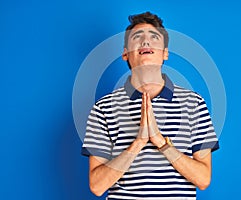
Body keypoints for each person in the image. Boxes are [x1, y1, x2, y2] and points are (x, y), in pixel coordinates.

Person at [81, 11, 219, 199]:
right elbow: (97, 186)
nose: (146, 42)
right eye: (137, 37)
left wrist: (161, 142)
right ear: (125, 53)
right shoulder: (103, 108)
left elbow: (203, 179)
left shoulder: (194, 104)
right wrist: (138, 143)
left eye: (154, 37)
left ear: (165, 53)